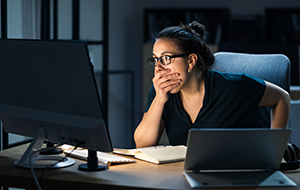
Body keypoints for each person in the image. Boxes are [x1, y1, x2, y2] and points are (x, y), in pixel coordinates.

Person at [134, 21, 290, 148]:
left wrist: (276, 148)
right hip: (182, 175)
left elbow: (282, 97)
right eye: (155, 59)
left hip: (231, 172)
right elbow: (142, 144)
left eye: (166, 58)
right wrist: (159, 100)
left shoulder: (233, 87)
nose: (158, 68)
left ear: (191, 61)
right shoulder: (161, 92)